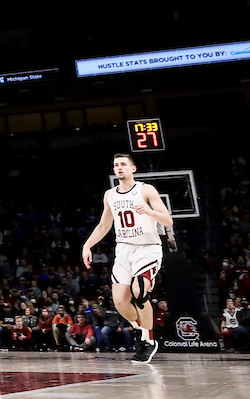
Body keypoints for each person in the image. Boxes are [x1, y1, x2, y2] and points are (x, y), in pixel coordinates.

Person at [81, 152, 174, 364]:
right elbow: (105, 225)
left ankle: (149, 340)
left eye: (123, 164)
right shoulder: (110, 195)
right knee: (120, 301)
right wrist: (87, 245)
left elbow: (168, 220)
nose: (119, 167)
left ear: (133, 169)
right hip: (124, 250)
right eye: (116, 165)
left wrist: (150, 211)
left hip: (147, 248)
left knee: (139, 291)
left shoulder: (146, 189)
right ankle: (142, 331)